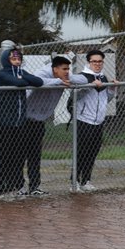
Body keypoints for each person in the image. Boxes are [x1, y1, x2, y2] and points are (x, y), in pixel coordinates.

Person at [18, 55, 73, 196]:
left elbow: (81, 79)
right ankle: (19, 187)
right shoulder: (43, 73)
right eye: (64, 69)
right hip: (24, 120)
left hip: (38, 122)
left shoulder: (65, 77)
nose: (67, 72)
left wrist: (65, 80)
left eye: (68, 69)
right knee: (19, 155)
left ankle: (34, 187)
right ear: (55, 69)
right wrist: (58, 81)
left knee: (35, 156)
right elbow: (39, 81)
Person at [0, 46, 43, 198]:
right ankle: (3, 188)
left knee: (17, 156)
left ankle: (16, 186)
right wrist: (23, 80)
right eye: (13, 58)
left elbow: (38, 81)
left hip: (20, 123)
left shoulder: (22, 72)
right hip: (4, 123)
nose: (17, 61)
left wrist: (23, 78)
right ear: (6, 60)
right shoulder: (2, 74)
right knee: (4, 156)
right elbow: (18, 83)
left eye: (19, 58)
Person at [70, 50, 116, 192]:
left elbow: (106, 99)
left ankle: (86, 180)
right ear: (88, 62)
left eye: (100, 61)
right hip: (83, 120)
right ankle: (74, 182)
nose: (97, 64)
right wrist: (89, 86)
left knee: (92, 152)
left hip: (98, 121)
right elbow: (74, 96)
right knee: (81, 152)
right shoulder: (82, 77)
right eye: (94, 61)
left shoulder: (103, 78)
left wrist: (112, 89)